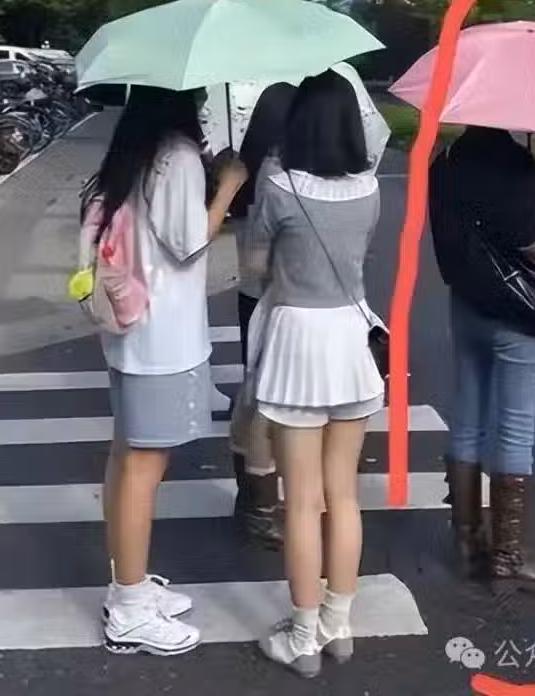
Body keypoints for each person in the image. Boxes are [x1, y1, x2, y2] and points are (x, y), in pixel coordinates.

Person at [87, 85, 248, 656]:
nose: (204, 104)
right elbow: (188, 243)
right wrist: (228, 186)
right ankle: (130, 609)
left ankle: (126, 586)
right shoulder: (176, 156)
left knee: (125, 457)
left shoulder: (135, 149)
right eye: (198, 96)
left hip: (132, 330)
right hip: (162, 337)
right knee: (143, 467)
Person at [245, 70, 384, 677]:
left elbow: (254, 267)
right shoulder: (370, 189)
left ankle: (302, 636)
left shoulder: (278, 188)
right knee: (343, 495)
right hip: (351, 341)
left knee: (301, 501)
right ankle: (339, 624)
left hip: (296, 342)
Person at [428, 125, 535, 584]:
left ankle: (467, 541)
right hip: (514, 309)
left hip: (465, 303)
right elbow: (527, 243)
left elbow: (446, 238)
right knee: (516, 426)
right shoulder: (518, 164)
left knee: (467, 418)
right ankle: (506, 555)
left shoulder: (445, 163)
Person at [227, 82, 297, 548]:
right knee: (269, 402)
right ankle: (260, 505)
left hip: (251, 297)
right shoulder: (279, 175)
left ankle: (251, 500)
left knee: (254, 394)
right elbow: (262, 259)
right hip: (277, 296)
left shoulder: (247, 170)